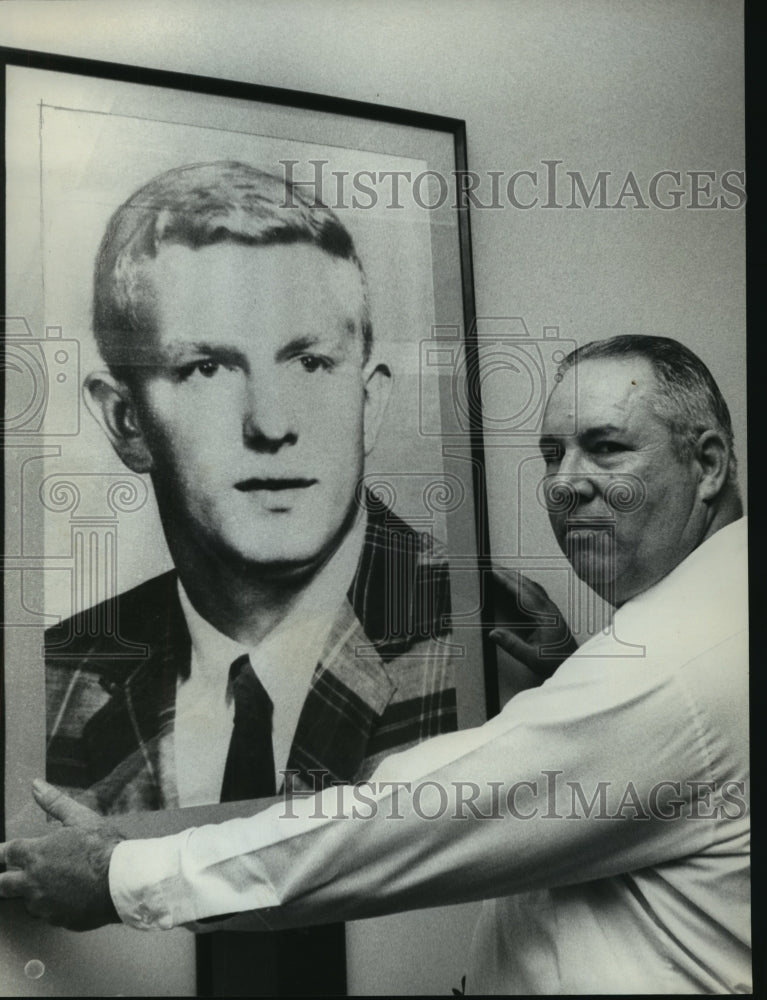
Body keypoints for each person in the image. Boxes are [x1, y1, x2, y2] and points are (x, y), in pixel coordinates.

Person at [0, 335, 749, 995]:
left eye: (606, 446)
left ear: (707, 463)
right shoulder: (708, 631)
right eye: (552, 453)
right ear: (126, 420)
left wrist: (120, 877)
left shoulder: (670, 670)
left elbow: (401, 824)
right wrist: (572, 675)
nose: (564, 481)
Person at [42, 161, 458, 816]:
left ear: (369, 402)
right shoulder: (55, 681)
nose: (269, 423)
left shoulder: (489, 635)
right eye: (206, 368)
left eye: (311, 362)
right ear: (126, 421)